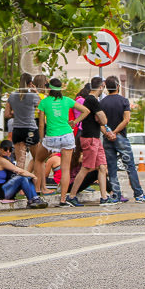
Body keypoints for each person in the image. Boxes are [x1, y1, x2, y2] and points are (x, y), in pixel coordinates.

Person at [100, 76, 145, 204]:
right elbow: (126, 119)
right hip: (121, 137)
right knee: (130, 167)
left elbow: (99, 122)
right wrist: (116, 132)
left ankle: (116, 195)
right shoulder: (124, 101)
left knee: (112, 168)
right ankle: (138, 194)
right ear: (118, 86)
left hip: (107, 138)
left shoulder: (102, 103)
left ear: (107, 88)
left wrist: (108, 133)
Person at [38, 78, 89, 207]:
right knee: (66, 169)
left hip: (51, 137)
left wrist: (41, 139)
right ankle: (63, 200)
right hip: (67, 135)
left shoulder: (44, 102)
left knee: (38, 160)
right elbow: (86, 111)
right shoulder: (67, 100)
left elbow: (41, 125)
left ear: (49, 88)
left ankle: (38, 190)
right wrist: (75, 122)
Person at [67, 78, 112, 206]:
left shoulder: (91, 100)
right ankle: (72, 196)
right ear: (101, 86)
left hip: (95, 138)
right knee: (86, 167)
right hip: (90, 138)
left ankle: (104, 197)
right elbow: (103, 120)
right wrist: (101, 118)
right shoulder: (92, 100)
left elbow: (101, 120)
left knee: (102, 167)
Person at [5, 72, 43, 186]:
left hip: (17, 129)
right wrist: (36, 91)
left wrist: (16, 114)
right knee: (37, 159)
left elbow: (7, 114)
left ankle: (19, 187)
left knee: (20, 161)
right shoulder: (32, 96)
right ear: (30, 83)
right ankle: (37, 187)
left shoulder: (12, 96)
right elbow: (42, 107)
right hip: (30, 129)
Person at [0, 139, 45, 208]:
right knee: (22, 177)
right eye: (5, 149)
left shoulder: (3, 159)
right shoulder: (0, 160)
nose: (8, 152)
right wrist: (33, 176)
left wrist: (30, 176)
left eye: (10, 150)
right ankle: (31, 200)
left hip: (3, 189)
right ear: (0, 149)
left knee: (27, 177)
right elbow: (18, 171)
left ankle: (35, 198)